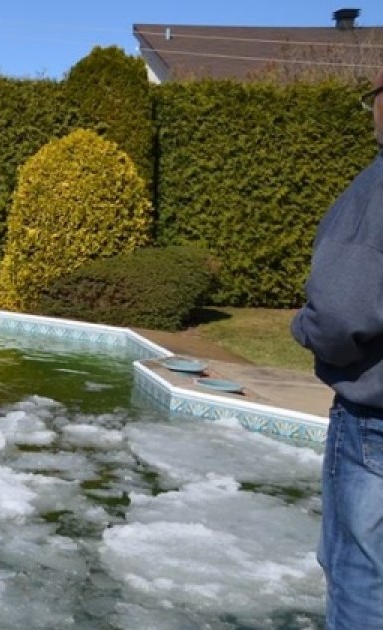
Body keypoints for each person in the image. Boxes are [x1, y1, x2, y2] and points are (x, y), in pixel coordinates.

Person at [292, 67, 383, 629]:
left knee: (363, 577)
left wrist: (302, 329)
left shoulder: (376, 192)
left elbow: (339, 317)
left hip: (375, 426)